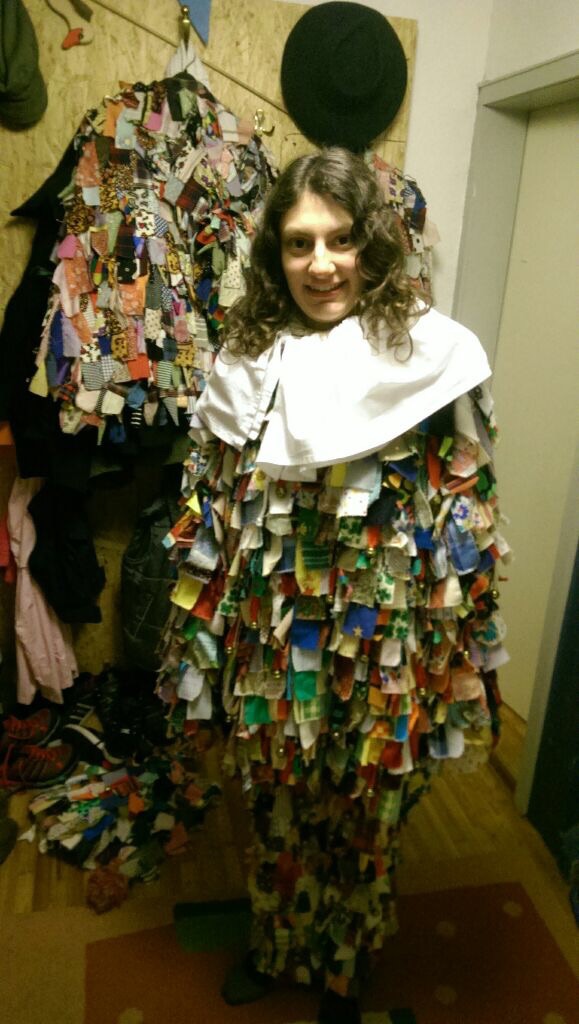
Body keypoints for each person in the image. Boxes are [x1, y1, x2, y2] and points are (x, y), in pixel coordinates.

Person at [159, 147, 505, 1024]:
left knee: (366, 809)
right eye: (299, 243)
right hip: (272, 637)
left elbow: (467, 515)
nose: (321, 264)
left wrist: (459, 646)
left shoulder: (434, 356)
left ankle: (346, 966)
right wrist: (201, 640)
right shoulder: (245, 360)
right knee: (276, 801)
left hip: (384, 638)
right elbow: (213, 511)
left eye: (341, 239)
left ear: (373, 245)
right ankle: (276, 945)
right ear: (273, 254)